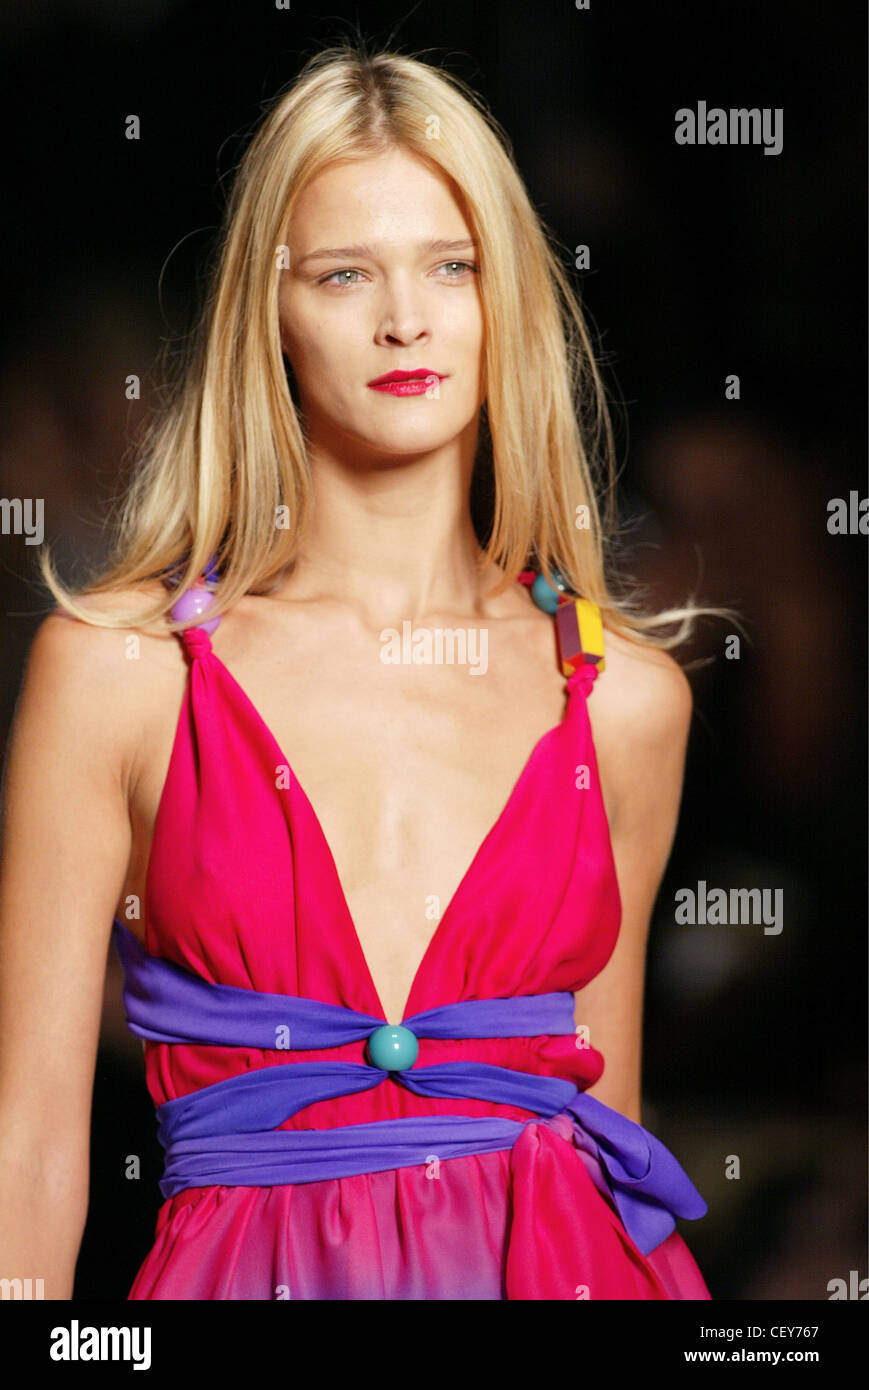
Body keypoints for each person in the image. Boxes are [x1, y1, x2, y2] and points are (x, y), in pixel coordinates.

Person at [0, 41, 730, 1300]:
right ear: (267, 313)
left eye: (451, 266)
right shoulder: (122, 673)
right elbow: (30, 1147)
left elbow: (609, 1125)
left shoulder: (617, 701)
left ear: (505, 298)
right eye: (345, 274)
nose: (406, 318)